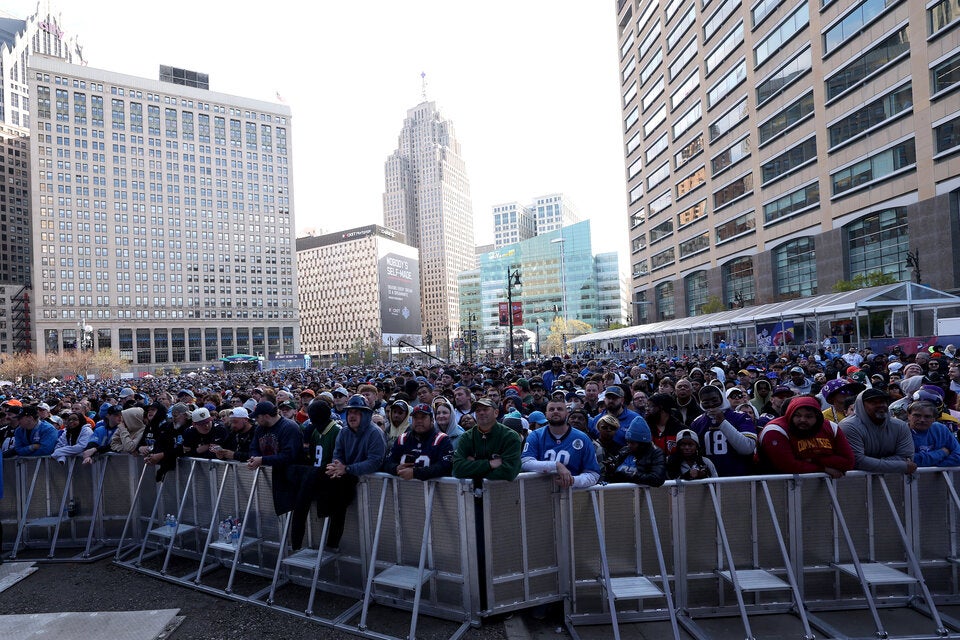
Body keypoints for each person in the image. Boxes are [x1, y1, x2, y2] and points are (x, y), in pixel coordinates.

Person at [319, 395, 387, 550]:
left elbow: (375, 461)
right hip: (346, 477)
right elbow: (338, 454)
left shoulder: (375, 433)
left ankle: (333, 541)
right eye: (350, 412)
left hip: (372, 486)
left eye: (357, 412)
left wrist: (347, 469)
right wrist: (337, 467)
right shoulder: (343, 432)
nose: (352, 416)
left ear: (366, 414)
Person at [757, 396, 855, 478]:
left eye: (808, 416)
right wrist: (824, 469)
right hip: (776, 488)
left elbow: (848, 462)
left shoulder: (831, 427)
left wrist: (813, 460)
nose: (802, 420)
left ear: (817, 417)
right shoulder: (775, 430)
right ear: (790, 415)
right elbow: (788, 466)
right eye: (798, 415)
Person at [521, 399, 600, 488]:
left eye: (559, 409)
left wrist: (572, 481)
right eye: (551, 409)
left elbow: (593, 474)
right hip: (542, 494)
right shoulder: (535, 436)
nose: (555, 412)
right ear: (546, 414)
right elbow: (525, 462)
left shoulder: (583, 438)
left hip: (573, 495)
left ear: (567, 413)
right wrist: (556, 465)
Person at [840, 388, 916, 473]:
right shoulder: (849, 426)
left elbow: (906, 457)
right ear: (860, 406)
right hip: (856, 483)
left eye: (883, 402)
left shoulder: (900, 426)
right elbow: (857, 461)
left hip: (893, 482)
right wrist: (902, 466)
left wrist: (870, 461)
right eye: (873, 402)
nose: (880, 405)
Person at [690, 385, 757, 476]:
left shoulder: (741, 417)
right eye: (706, 402)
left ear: (722, 398)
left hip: (739, 477)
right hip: (709, 479)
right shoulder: (697, 422)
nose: (711, 404)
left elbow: (747, 448)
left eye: (714, 400)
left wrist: (722, 422)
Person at [452, 397, 522, 481]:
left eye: (485, 409)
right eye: (478, 411)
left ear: (496, 413)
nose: (481, 413)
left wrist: (473, 465)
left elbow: (509, 472)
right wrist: (489, 464)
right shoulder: (466, 437)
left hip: (505, 491)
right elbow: (457, 469)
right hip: (473, 492)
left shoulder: (510, 436)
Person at [384, 403, 453, 480]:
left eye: (423, 417)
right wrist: (396, 468)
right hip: (403, 489)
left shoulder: (442, 439)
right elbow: (387, 462)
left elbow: (446, 466)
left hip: (433, 490)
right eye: (415, 417)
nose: (419, 421)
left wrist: (415, 473)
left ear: (432, 420)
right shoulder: (402, 439)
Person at [607, 416, 666, 487]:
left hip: (643, 495)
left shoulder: (656, 454)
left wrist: (631, 475)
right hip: (619, 494)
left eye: (632, 443)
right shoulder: (625, 450)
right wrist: (610, 470)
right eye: (628, 442)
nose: (629, 445)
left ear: (642, 444)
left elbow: (657, 479)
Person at [908, 400, 960, 467]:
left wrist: (936, 466)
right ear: (909, 416)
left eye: (927, 416)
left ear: (934, 419)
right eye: (917, 416)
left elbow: (958, 456)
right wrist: (942, 453)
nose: (922, 420)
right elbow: (909, 460)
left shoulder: (941, 429)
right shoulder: (901, 431)